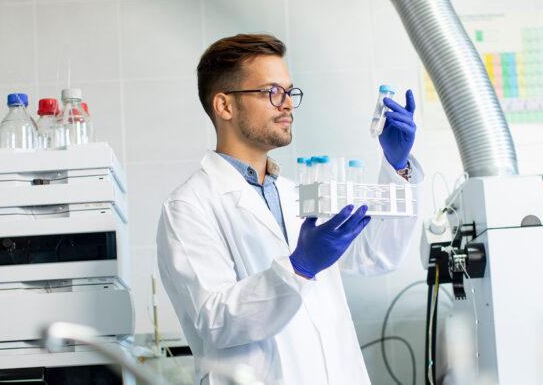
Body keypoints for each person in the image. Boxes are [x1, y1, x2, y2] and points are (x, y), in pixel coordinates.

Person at [156, 33, 423, 385]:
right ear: (225, 106)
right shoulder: (188, 207)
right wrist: (299, 267)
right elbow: (216, 321)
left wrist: (397, 166)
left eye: (289, 92)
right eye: (272, 92)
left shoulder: (298, 194)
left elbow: (376, 255)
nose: (287, 105)